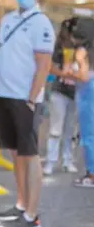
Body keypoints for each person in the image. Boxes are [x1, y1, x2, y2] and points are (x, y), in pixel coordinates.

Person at [0, 0, 55, 227]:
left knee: (30, 156)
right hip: (3, 96)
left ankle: (32, 216)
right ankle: (20, 204)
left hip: (25, 100)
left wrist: (32, 98)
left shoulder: (42, 23)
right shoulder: (7, 20)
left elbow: (44, 66)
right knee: (16, 154)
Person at [43, 18, 78, 175]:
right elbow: (50, 67)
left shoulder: (83, 47)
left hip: (76, 92)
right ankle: (50, 161)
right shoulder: (58, 47)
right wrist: (62, 73)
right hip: (59, 91)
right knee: (56, 128)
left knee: (70, 129)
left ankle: (67, 160)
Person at [66, 17, 94, 187]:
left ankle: (91, 175)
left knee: (89, 135)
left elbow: (83, 76)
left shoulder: (82, 51)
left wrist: (68, 73)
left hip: (87, 95)